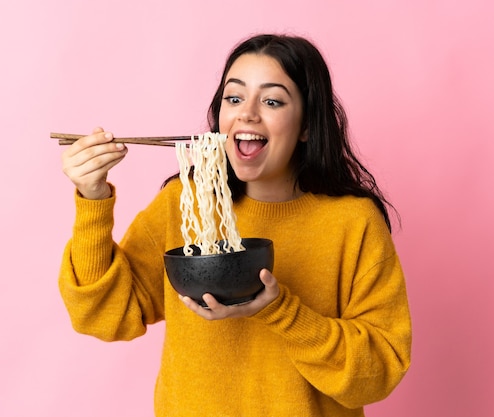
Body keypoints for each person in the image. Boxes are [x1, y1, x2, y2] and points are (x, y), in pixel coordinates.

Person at [58, 34, 411, 417]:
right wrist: (92, 200)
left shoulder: (352, 222)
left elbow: (379, 373)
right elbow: (103, 315)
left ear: (307, 125)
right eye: (234, 98)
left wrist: (279, 311)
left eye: (272, 101)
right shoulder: (186, 202)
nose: (247, 114)